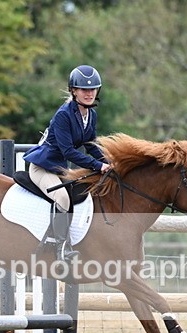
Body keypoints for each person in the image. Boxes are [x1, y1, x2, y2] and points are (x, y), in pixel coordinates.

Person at [23, 65, 112, 262]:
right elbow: (68, 151)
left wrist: (109, 163)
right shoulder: (64, 114)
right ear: (74, 91)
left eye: (93, 89)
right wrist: (98, 166)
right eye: (84, 90)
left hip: (60, 169)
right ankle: (59, 246)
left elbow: (90, 146)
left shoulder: (91, 115)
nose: (89, 93)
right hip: (42, 168)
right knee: (63, 199)